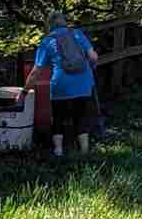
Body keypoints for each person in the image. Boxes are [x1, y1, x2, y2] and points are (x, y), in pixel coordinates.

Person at [22, 10, 100, 160]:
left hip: (60, 85)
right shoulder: (77, 34)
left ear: (49, 25)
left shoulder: (47, 41)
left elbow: (36, 72)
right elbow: (93, 56)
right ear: (64, 21)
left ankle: (58, 151)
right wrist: (91, 68)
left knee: (58, 117)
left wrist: (25, 91)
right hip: (83, 82)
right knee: (81, 117)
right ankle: (85, 153)